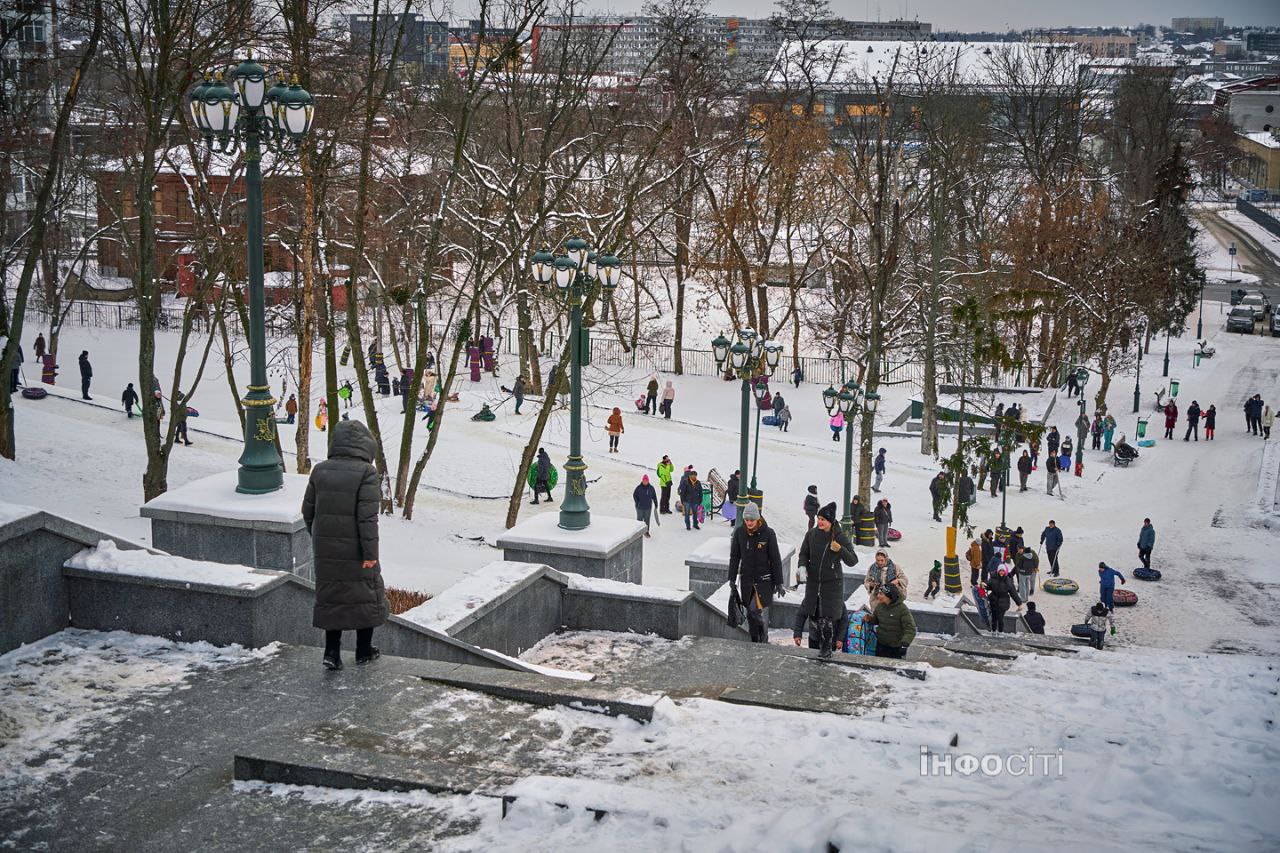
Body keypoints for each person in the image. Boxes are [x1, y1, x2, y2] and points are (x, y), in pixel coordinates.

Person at [301, 420, 387, 670]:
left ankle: (331, 653)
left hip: (326, 550)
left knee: (331, 598)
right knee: (366, 596)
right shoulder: (366, 473)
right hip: (358, 550)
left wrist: (320, 537)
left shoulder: (319, 470)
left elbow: (308, 511)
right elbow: (368, 518)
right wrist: (371, 554)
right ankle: (363, 651)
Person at [797, 502, 855, 656]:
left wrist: (840, 549)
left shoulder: (839, 537)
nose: (820, 522)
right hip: (814, 584)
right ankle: (814, 653)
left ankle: (828, 653)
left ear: (831, 521)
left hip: (832, 586)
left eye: (823, 519)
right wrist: (802, 566)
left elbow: (853, 560)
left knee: (828, 623)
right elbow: (803, 554)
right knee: (814, 619)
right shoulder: (811, 534)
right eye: (819, 518)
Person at [729, 502, 784, 643]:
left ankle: (763, 636)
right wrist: (732, 578)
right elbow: (735, 557)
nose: (749, 523)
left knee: (754, 610)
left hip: (763, 580)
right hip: (747, 580)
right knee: (750, 613)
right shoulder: (739, 533)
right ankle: (756, 640)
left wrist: (779, 582)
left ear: (758, 519)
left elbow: (775, 559)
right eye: (746, 520)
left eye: (752, 520)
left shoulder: (768, 533)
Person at [867, 584, 916, 659]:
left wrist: (905, 644)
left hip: (896, 648)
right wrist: (869, 619)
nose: (878, 596)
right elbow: (876, 620)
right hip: (881, 645)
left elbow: (910, 628)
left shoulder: (902, 609)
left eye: (881, 594)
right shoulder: (880, 606)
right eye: (878, 593)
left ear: (889, 596)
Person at [985, 565, 1023, 634]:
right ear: (998, 571)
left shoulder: (1008, 581)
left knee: (1000, 618)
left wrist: (1019, 603)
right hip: (993, 601)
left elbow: (1013, 593)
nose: (1001, 572)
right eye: (1000, 571)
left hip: (1003, 602)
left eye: (1003, 571)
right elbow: (989, 586)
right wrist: (984, 585)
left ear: (1005, 572)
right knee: (994, 618)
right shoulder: (993, 578)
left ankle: (1000, 632)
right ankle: (993, 631)